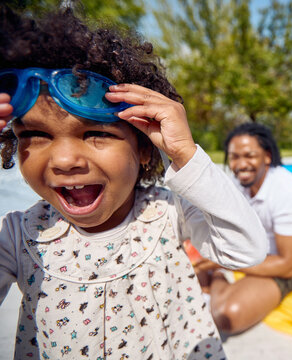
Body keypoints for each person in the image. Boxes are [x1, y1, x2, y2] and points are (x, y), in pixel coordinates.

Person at [0, 6, 267, 359]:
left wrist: (185, 154)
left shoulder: (167, 212)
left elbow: (245, 250)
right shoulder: (20, 236)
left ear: (144, 149)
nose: (64, 160)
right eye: (35, 134)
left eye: (95, 132)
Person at [194, 122, 292, 335]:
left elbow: (288, 265)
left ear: (267, 156)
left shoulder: (288, 191)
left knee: (226, 315)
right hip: (243, 256)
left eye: (249, 155)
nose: (241, 164)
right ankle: (214, 282)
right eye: (234, 157)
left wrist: (223, 264)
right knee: (186, 271)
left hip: (278, 268)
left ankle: (217, 279)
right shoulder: (237, 182)